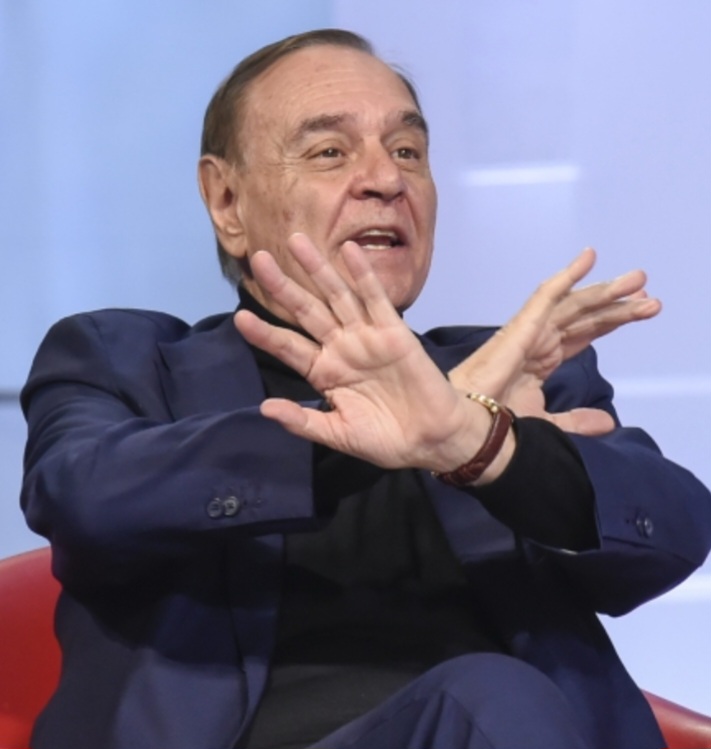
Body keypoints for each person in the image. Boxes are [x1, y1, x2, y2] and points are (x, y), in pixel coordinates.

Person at [20, 28, 711, 749]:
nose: (386, 179)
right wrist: (359, 434)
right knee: (489, 697)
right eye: (329, 152)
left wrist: (483, 444)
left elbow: (673, 532)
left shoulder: (506, 375)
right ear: (226, 201)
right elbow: (83, 496)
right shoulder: (126, 358)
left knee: (492, 701)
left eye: (408, 151)